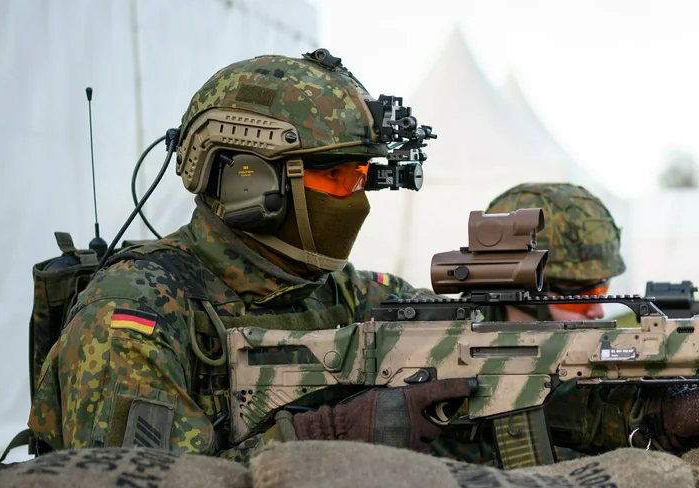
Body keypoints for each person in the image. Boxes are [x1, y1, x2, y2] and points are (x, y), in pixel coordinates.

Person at [27, 49, 475, 462]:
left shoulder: (342, 293)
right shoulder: (130, 314)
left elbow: (467, 333)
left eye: (359, 177)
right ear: (250, 183)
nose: (356, 199)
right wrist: (326, 435)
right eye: (336, 177)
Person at [438, 183, 699, 463]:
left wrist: (666, 415)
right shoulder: (440, 345)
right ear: (519, 289)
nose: (597, 311)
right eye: (580, 295)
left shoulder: (568, 365)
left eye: (602, 291)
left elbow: (585, 408)